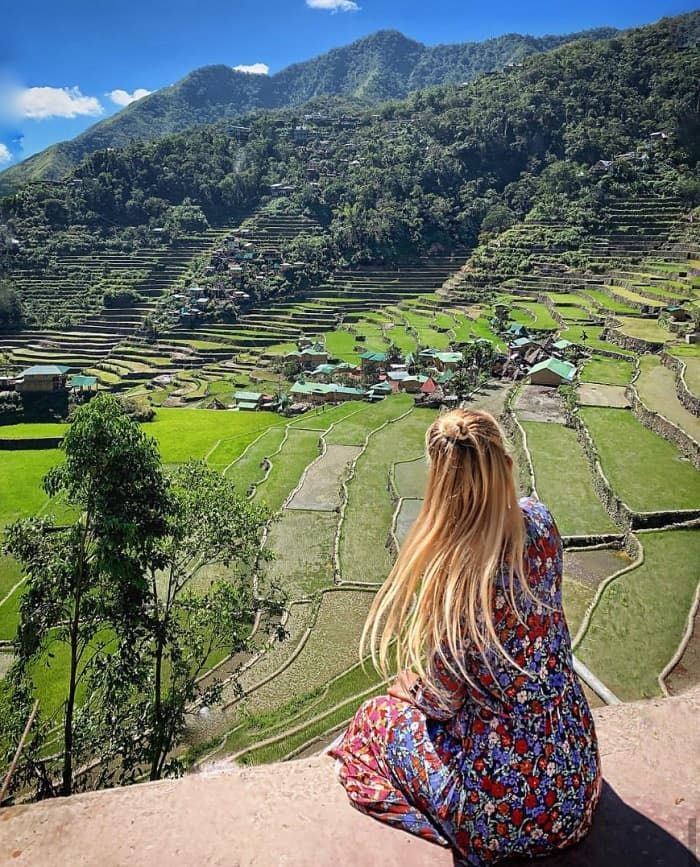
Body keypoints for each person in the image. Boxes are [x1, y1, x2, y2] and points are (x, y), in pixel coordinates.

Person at [328, 409, 602, 866]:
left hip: (503, 812)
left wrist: (406, 689)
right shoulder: (542, 523)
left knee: (376, 719)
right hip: (574, 781)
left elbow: (440, 702)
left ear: (440, 484)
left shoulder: (458, 576)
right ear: (504, 465)